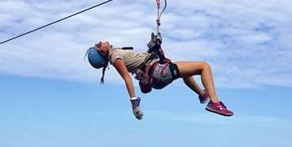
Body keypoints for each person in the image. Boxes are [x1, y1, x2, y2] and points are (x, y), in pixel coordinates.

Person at [86, 40, 233, 120]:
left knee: (185, 72)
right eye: (99, 46)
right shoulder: (114, 56)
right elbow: (126, 78)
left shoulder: (116, 52)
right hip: (158, 72)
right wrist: (135, 104)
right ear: (103, 53)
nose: (100, 42)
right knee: (204, 67)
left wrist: (153, 46)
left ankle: (202, 94)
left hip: (156, 72)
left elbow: (139, 61)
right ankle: (214, 103)